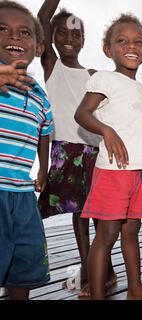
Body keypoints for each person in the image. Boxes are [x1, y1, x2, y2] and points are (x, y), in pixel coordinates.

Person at [74, 13, 142, 300]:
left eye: (138, 42)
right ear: (108, 50)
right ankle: (97, 295)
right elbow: (81, 113)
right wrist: (106, 130)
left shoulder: (139, 87)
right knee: (106, 236)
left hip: (138, 173)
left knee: (132, 231)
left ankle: (135, 289)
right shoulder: (105, 78)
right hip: (114, 172)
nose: (131, 46)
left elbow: (136, 130)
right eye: (122, 41)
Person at [37, 0, 115, 296]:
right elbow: (43, 15)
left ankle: (105, 271)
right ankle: (90, 270)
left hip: (95, 154)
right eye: (62, 33)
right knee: (79, 217)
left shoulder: (94, 75)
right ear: (52, 37)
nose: (69, 39)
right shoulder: (51, 66)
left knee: (99, 218)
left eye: (76, 34)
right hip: (64, 153)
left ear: (83, 41)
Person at [0, 1, 52, 300]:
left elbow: (45, 130)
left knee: (26, 261)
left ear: (38, 48)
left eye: (24, 33)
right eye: (3, 29)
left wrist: (43, 169)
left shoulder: (39, 94)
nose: (15, 37)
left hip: (22, 194)